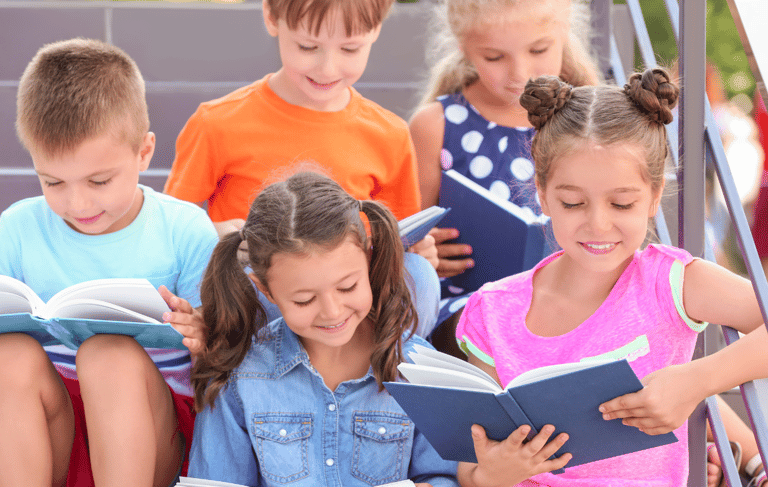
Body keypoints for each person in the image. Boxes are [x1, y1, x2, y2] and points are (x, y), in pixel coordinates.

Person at [453, 68, 768, 486]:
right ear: (543, 194)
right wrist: (493, 474)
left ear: (654, 196)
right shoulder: (492, 312)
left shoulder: (670, 282)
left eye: (621, 204)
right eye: (572, 203)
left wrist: (697, 381)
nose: (598, 225)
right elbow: (470, 470)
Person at [0, 38, 218, 487]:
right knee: (9, 357)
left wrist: (202, 333)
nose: (77, 202)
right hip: (48, 426)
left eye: (99, 180)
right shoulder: (17, 228)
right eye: (53, 181)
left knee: (108, 357)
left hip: (148, 430)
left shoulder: (185, 229)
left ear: (144, 152)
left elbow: (222, 364)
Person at [163, 0, 440, 336]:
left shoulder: (390, 134)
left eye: (350, 49)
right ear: (271, 16)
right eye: (308, 47)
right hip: (261, 296)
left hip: (344, 308)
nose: (327, 68)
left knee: (420, 276)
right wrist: (216, 235)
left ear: (375, 30)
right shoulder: (217, 123)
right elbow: (172, 225)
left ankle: (379, 378)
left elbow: (395, 237)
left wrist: (416, 251)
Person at [187, 171, 459, 487]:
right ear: (267, 291)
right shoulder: (239, 378)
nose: (332, 312)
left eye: (347, 287)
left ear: (368, 261)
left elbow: (445, 476)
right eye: (304, 300)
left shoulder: (419, 371)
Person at [408, 0, 601, 346]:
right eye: (494, 58)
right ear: (463, 47)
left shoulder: (589, 121)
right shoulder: (435, 126)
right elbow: (409, 236)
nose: (520, 73)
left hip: (575, 306)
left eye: (539, 49)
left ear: (563, 35)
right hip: (470, 313)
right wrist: (424, 255)